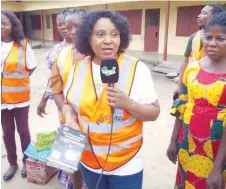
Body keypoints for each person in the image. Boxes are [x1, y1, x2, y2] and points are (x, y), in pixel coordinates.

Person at [62, 10, 160, 189]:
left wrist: (128, 104)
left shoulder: (137, 68)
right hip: (89, 160)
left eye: (114, 34)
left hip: (127, 163)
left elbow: (154, 112)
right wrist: (70, 119)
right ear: (87, 39)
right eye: (100, 34)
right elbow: (69, 104)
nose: (108, 40)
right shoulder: (78, 69)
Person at [167, 11, 226, 189]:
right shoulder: (192, 68)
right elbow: (183, 106)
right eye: (208, 38)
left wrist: (217, 168)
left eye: (221, 39)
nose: (212, 44)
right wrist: (173, 141)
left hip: (219, 150)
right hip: (188, 144)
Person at [50, 9, 86, 189]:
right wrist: (67, 113)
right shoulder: (61, 55)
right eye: (68, 26)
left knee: (93, 165)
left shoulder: (99, 53)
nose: (71, 31)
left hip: (94, 122)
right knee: (72, 164)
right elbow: (56, 89)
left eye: (76, 26)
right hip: (68, 121)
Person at [1, 11, 37, 181]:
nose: (1, 27)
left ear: (12, 25)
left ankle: (27, 160)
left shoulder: (23, 44)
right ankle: (13, 163)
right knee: (7, 133)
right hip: (1, 101)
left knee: (23, 131)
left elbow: (32, 66)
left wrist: (17, 81)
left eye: (4, 23)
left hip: (20, 99)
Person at [168, 4, 224, 88]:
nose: (199, 16)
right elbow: (185, 61)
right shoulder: (194, 37)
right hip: (192, 82)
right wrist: (180, 85)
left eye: (204, 13)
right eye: (208, 38)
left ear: (216, 16)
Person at [37, 9, 71, 118]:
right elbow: (53, 78)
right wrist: (44, 100)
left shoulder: (88, 49)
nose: (63, 27)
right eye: (59, 24)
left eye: (66, 23)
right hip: (62, 102)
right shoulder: (55, 50)